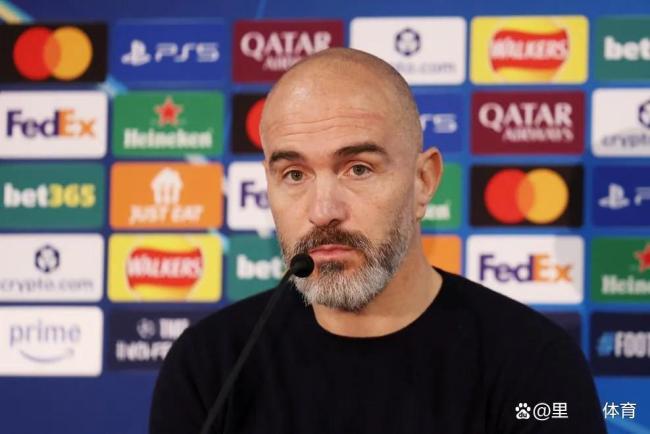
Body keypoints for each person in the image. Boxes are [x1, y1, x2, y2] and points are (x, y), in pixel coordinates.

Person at [149, 48, 607, 434]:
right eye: (294, 174)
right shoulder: (210, 366)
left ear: (423, 181)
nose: (323, 210)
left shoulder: (534, 367)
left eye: (358, 169)